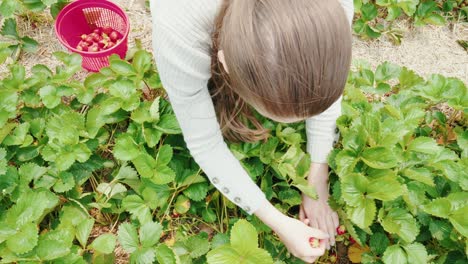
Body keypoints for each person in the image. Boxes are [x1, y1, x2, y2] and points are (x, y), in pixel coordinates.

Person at [149, 0, 353, 262]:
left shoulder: (337, 7)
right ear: (224, 62)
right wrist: (277, 221)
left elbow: (324, 84)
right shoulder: (179, 25)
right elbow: (205, 144)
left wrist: (317, 178)